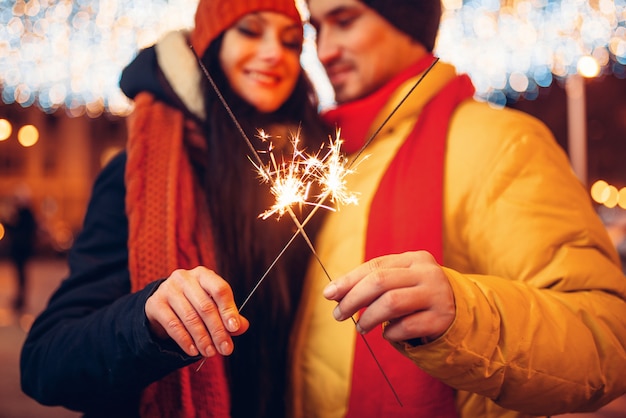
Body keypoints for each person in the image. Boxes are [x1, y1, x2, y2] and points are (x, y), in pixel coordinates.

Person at [288, 0, 626, 417]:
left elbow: (608, 339)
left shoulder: (503, 143)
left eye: (345, 21)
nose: (324, 50)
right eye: (318, 29)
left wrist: (465, 316)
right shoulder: (337, 159)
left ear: (406, 20)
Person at [20, 1, 329, 417]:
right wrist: (146, 319)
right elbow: (46, 363)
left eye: (292, 42)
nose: (275, 52)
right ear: (211, 44)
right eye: (251, 31)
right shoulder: (140, 169)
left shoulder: (313, 166)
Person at [5, 187, 38, 312]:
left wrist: (10, 225)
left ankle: (21, 299)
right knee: (20, 275)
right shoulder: (23, 213)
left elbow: (21, 231)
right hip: (21, 249)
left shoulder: (25, 214)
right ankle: (20, 298)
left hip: (22, 249)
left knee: (21, 275)